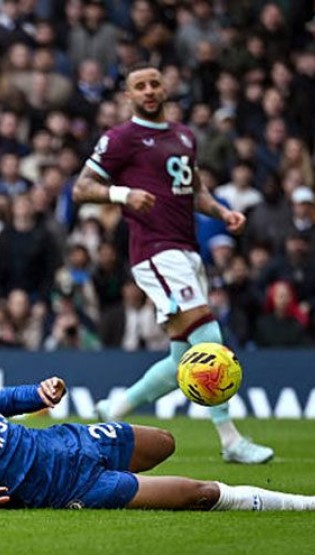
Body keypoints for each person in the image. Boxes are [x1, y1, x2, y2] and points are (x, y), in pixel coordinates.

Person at [0, 329, 315, 512]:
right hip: (70, 486)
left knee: (164, 441)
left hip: (70, 441)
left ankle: (129, 482)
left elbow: (5, 399)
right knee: (198, 493)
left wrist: (42, 391)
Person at [71, 62, 273, 464]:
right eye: (140, 86)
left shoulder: (183, 135)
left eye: (154, 84)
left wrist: (222, 212)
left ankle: (112, 411)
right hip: (154, 250)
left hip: (187, 249)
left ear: (165, 89)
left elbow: (194, 190)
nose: (148, 90)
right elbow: (81, 188)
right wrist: (123, 195)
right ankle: (230, 439)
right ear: (129, 95)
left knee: (181, 359)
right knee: (208, 332)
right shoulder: (121, 138)